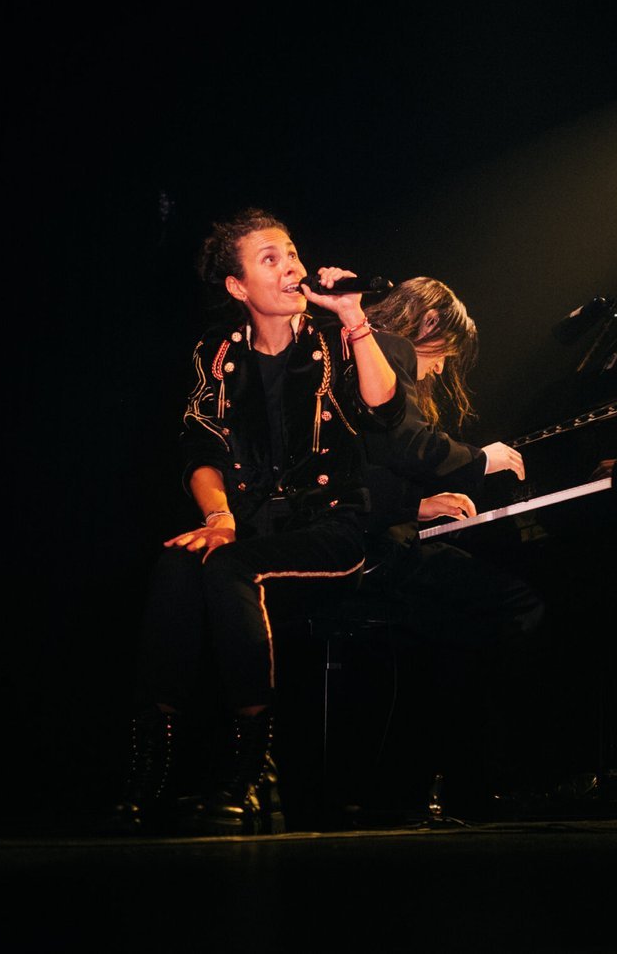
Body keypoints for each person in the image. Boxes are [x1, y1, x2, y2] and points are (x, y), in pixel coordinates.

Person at [103, 207, 404, 835]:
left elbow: (383, 412)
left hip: (330, 527)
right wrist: (219, 516)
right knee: (178, 561)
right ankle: (149, 770)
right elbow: (200, 448)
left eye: (290, 252)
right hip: (252, 528)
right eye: (270, 258)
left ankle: (252, 765)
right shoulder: (217, 354)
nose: (290, 266)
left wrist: (354, 318)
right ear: (238, 287)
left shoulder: (333, 339)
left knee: (234, 565)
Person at [354, 277, 550, 814]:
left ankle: (440, 776)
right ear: (430, 324)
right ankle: (479, 775)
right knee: (517, 607)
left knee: (464, 622)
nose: (441, 368)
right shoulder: (384, 358)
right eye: (444, 356)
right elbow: (410, 447)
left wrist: (418, 505)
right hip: (368, 549)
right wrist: (482, 458)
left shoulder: (360, 356)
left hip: (375, 530)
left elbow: (367, 471)